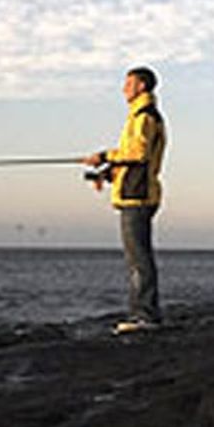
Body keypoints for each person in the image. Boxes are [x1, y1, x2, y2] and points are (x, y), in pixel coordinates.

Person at [84, 66, 166, 334]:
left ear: (142, 86)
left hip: (138, 195)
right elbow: (132, 160)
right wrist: (107, 173)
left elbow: (138, 153)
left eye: (128, 83)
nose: (124, 88)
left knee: (139, 259)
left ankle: (145, 316)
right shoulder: (138, 116)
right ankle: (142, 313)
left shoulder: (144, 116)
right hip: (135, 192)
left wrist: (104, 155)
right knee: (136, 258)